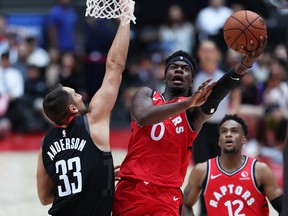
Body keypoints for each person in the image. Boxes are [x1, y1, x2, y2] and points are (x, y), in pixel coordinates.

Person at [112, 35, 267, 215]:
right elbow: (143, 117)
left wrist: (244, 66)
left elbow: (218, 92)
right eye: (173, 67)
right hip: (132, 189)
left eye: (185, 69)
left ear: (192, 79)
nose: (179, 70)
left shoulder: (193, 112)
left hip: (167, 196)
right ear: (165, 74)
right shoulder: (146, 94)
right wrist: (186, 103)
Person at [36, 1, 134, 215]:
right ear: (72, 108)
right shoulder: (92, 121)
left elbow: (44, 198)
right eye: (76, 95)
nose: (81, 95)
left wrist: (88, 180)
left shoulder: (46, 144)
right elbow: (115, 67)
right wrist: (125, 18)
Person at [183, 114, 283, 216]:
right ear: (219, 140)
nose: (228, 134)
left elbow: (283, 208)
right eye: (224, 131)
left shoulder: (260, 171)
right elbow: (185, 205)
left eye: (234, 131)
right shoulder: (202, 171)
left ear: (243, 139)